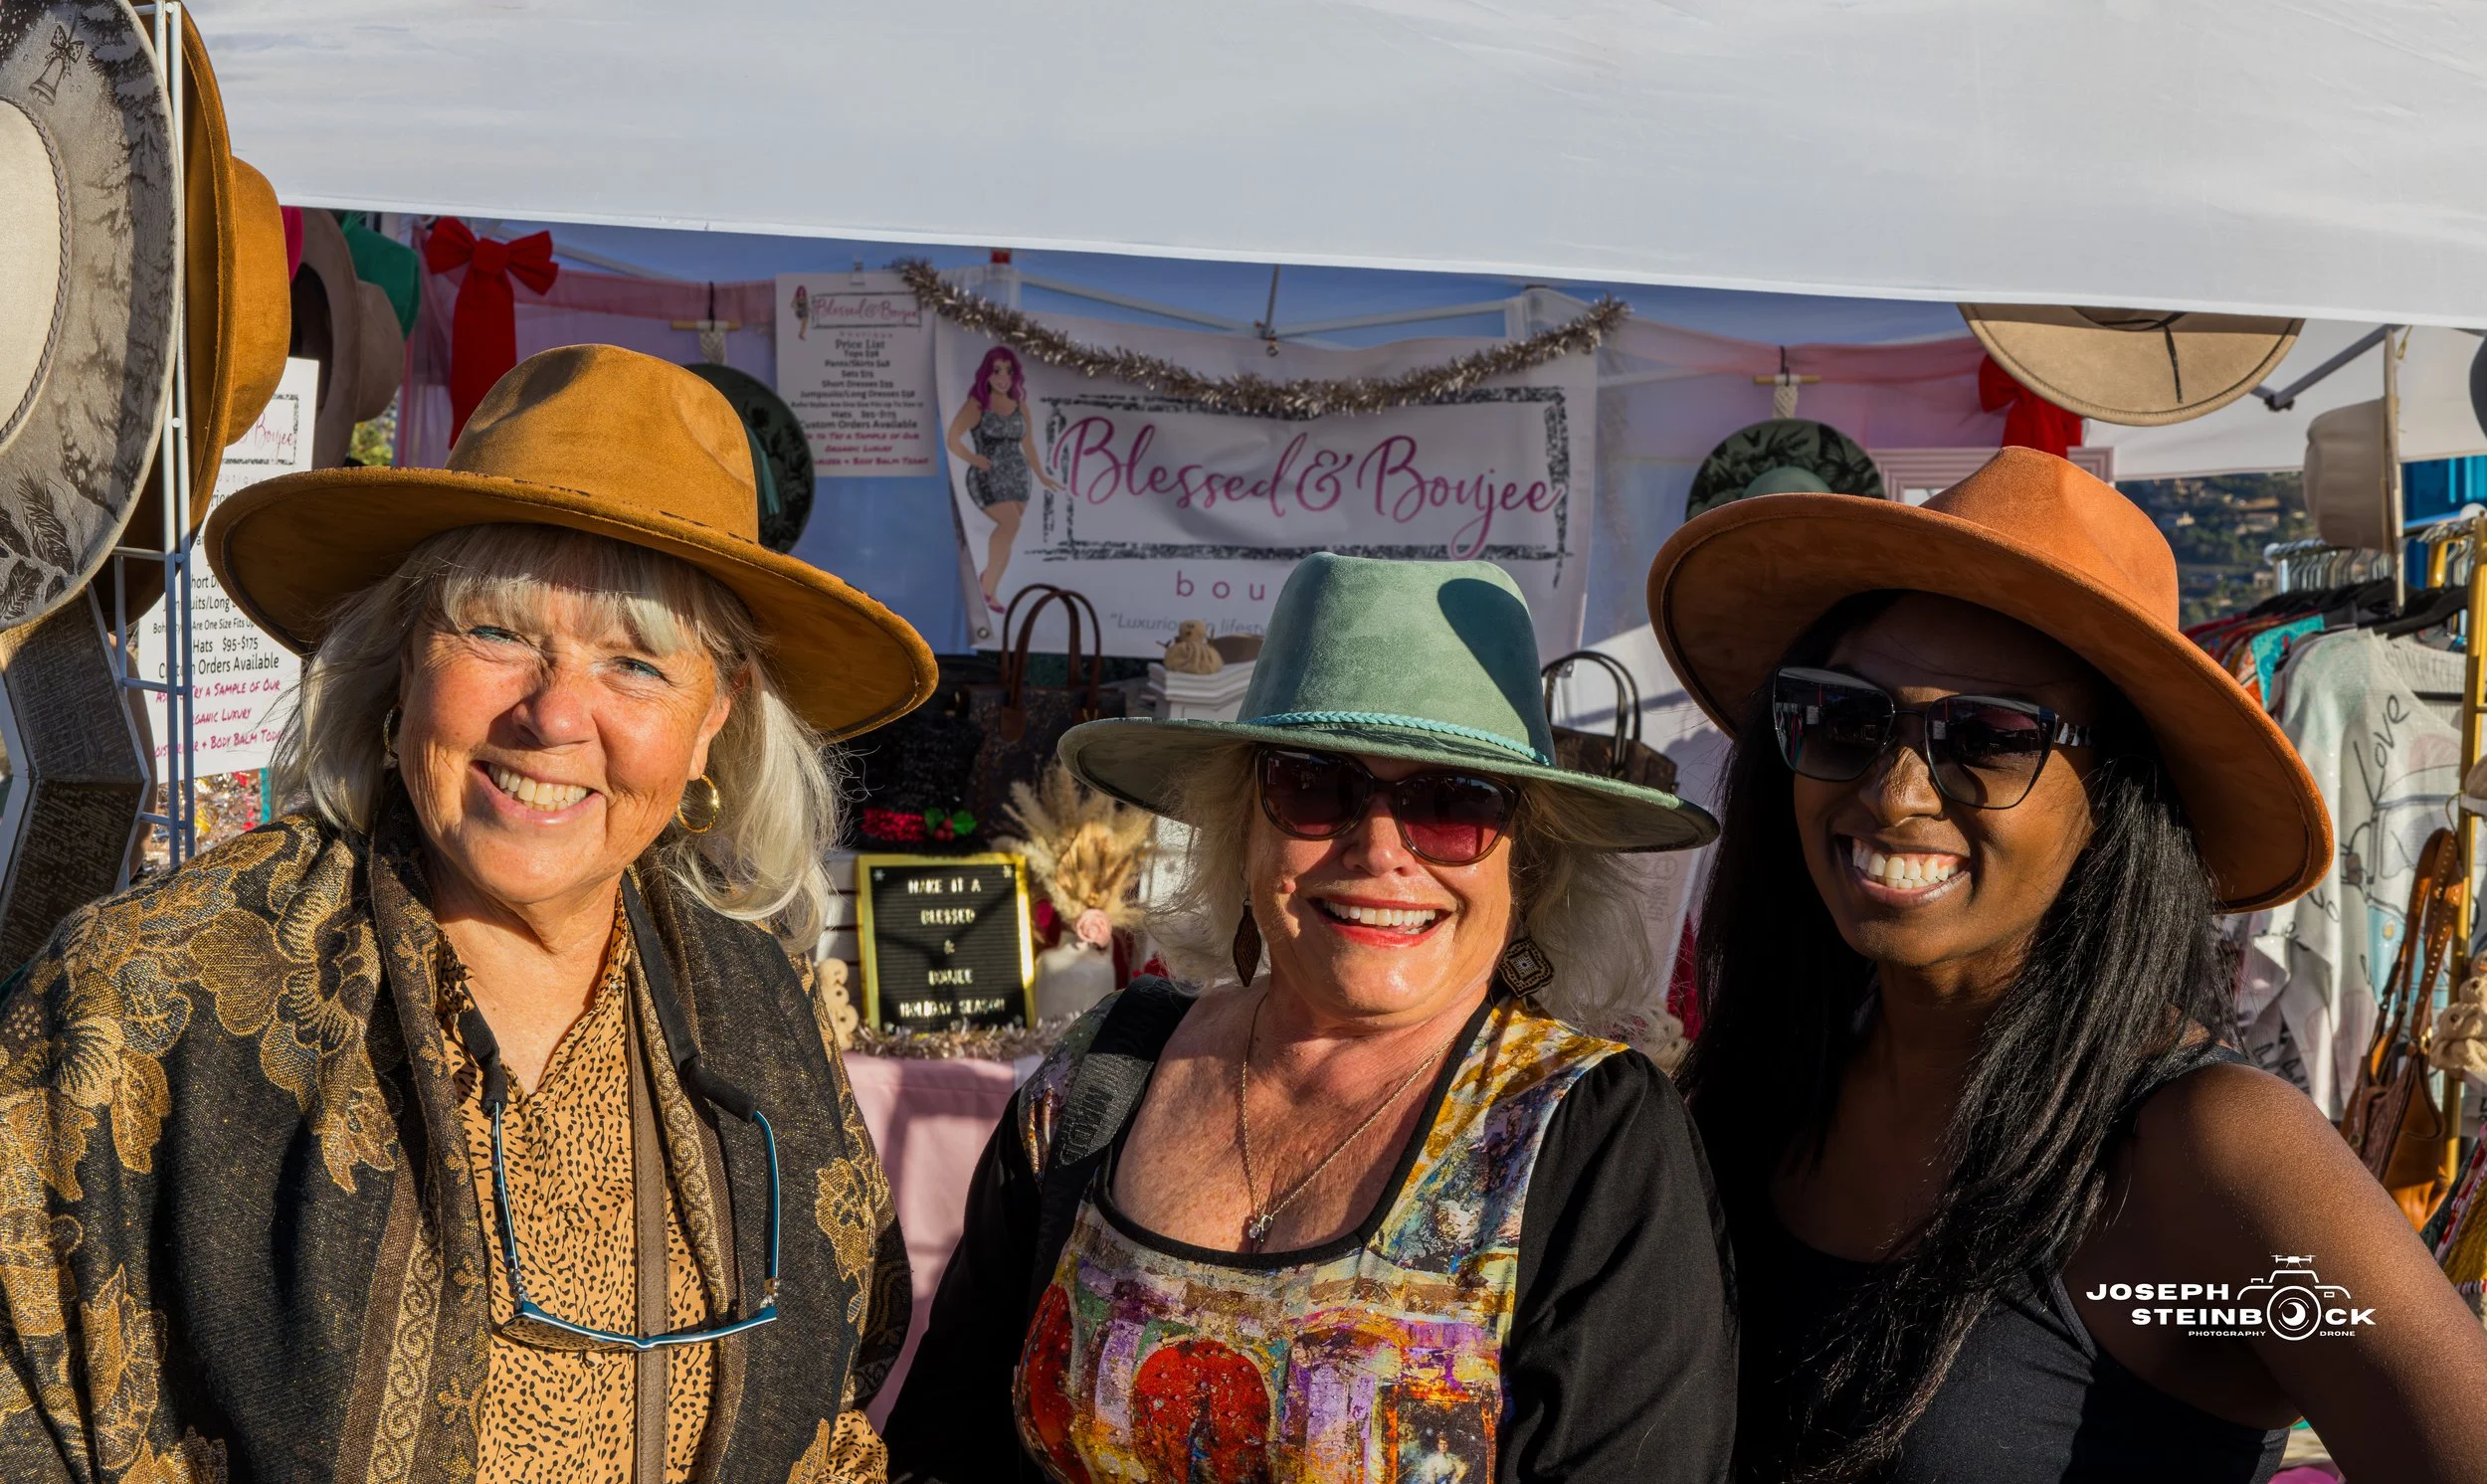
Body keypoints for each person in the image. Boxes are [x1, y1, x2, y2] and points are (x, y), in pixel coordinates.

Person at [0, 345, 936, 1483]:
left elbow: (824, 1421)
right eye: (497, 632)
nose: (552, 714)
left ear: (714, 722)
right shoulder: (146, 994)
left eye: (636, 664)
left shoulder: (761, 1010)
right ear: (402, 657)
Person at [1647, 448, 2487, 1483]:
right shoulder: (1755, 1090)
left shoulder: (2212, 1153)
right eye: (1844, 716)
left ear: (2115, 800)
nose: (1894, 792)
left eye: (1990, 735)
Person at [885, 552, 1737, 1484]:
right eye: (1314, 784)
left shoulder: (1592, 1138)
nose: (1379, 850)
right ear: (1242, 822)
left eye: (1454, 803)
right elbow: (946, 1436)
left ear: (1524, 859)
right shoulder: (1105, 1070)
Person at [943, 345, 1061, 614]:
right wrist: (974, 460)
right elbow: (953, 438)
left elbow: (1028, 444)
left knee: (1010, 533)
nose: (1002, 376)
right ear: (986, 374)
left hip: (1019, 475)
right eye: (996, 370)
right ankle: (986, 586)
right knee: (1010, 524)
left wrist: (1041, 475)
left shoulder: (1021, 407)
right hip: (989, 474)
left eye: (1008, 371)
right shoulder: (977, 405)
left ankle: (991, 587)